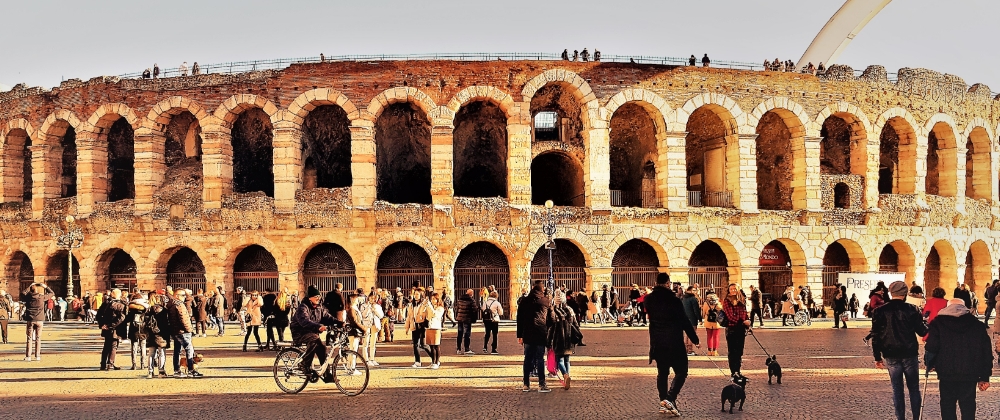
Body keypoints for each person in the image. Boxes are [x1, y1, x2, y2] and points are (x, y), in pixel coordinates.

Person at [924, 298, 993, 420]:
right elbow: (986, 352)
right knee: (968, 405)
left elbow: (931, 347)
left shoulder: (938, 323)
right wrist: (984, 376)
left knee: (947, 404)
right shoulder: (977, 325)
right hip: (970, 372)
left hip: (946, 371)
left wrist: (930, 364)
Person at [871, 281, 927, 420]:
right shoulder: (912, 309)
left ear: (891, 293)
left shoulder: (879, 311)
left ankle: (900, 418)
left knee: (897, 390)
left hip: (891, 354)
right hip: (909, 353)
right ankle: (916, 417)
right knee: (914, 388)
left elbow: (875, 336)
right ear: (905, 294)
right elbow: (922, 332)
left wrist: (877, 358)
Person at [645, 273, 699, 416]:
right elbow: (684, 320)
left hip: (657, 341)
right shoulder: (674, 300)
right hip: (674, 341)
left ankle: (664, 402)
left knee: (662, 373)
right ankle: (670, 398)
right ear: (668, 283)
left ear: (656, 282)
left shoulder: (649, 299)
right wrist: (694, 339)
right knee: (682, 371)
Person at [290, 285, 338, 381]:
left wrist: (340, 323)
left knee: (322, 348)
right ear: (310, 298)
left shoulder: (319, 307)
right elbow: (305, 321)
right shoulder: (303, 307)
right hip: (300, 333)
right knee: (314, 341)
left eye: (319, 296)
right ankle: (304, 365)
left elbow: (327, 317)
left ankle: (326, 374)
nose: (318, 298)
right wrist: (318, 327)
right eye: (316, 296)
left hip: (312, 333)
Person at [517, 280, 552, 393]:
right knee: (540, 358)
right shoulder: (545, 301)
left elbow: (519, 319)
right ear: (542, 289)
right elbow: (552, 319)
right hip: (540, 333)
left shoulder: (524, 301)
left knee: (527, 359)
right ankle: (542, 384)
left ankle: (526, 384)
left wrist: (520, 335)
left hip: (527, 333)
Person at [547, 289, 581, 390]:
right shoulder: (569, 310)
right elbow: (575, 324)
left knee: (560, 359)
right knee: (567, 359)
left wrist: (548, 341)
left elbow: (550, 328)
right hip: (569, 337)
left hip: (558, 338)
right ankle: (568, 376)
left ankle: (565, 375)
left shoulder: (553, 311)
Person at [166, 288, 202, 377]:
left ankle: (177, 370)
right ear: (177, 296)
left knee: (177, 351)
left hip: (175, 330)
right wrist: (189, 329)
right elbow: (184, 319)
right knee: (189, 349)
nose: (184, 297)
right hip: (183, 331)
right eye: (182, 295)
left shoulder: (171, 305)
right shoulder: (179, 305)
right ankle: (191, 370)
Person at [722, 284, 750, 375]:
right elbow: (730, 316)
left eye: (734, 289)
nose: (733, 290)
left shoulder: (742, 300)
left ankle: (738, 370)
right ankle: (733, 372)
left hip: (741, 329)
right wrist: (743, 322)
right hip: (732, 328)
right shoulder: (727, 301)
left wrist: (748, 322)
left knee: (739, 351)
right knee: (733, 351)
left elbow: (745, 313)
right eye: (731, 289)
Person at [96, 288, 127, 371]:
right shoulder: (120, 304)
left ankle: (103, 364)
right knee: (113, 346)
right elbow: (121, 318)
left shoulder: (106, 303)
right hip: (115, 328)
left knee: (106, 346)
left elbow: (98, 315)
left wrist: (102, 325)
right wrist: (111, 325)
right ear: (119, 295)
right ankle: (110, 364)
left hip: (106, 328)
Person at [21, 283, 53, 361]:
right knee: (38, 338)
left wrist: (29, 286)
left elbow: (22, 293)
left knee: (29, 338)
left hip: (30, 319)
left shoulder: (28, 297)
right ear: (37, 290)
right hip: (39, 319)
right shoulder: (41, 297)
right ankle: (37, 355)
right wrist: (46, 287)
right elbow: (52, 293)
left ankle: (28, 356)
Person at [143, 293, 170, 378]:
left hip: (150, 334)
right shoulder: (164, 311)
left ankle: (150, 372)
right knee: (161, 353)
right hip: (162, 333)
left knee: (151, 353)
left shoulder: (148, 310)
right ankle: (161, 372)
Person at [404, 287, 432, 367]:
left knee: (424, 345)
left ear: (421, 295)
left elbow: (429, 313)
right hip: (414, 325)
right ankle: (417, 361)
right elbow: (409, 317)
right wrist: (407, 327)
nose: (415, 296)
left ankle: (434, 358)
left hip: (422, 325)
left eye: (417, 294)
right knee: (415, 344)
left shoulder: (424, 303)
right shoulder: (411, 305)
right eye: (415, 294)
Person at [126, 292, 149, 370]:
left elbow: (127, 319)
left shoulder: (131, 308)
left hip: (134, 329)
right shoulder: (146, 308)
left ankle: (134, 364)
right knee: (143, 347)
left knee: (134, 347)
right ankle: (143, 364)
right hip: (143, 329)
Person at [360, 293, 383, 366]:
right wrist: (368, 308)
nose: (372, 300)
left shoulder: (378, 306)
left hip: (375, 325)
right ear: (369, 297)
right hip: (367, 325)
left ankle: (372, 358)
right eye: (371, 298)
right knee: (366, 342)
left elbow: (381, 315)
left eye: (374, 298)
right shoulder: (364, 305)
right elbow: (363, 315)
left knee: (373, 343)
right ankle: (366, 360)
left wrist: (375, 309)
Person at [454, 288, 479, 355]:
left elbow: (457, 309)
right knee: (467, 334)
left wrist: (457, 317)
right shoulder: (471, 300)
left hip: (460, 318)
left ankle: (458, 349)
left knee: (460, 333)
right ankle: (466, 349)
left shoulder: (460, 299)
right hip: (467, 319)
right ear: (471, 294)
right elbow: (474, 310)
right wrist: (474, 318)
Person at [425, 292, 446, 369]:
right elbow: (428, 316)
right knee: (430, 345)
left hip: (436, 327)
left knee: (436, 346)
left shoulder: (440, 308)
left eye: (434, 299)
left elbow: (435, 315)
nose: (432, 300)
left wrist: (429, 306)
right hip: (430, 326)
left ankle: (436, 362)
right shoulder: (432, 307)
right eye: (432, 299)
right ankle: (433, 361)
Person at [680, 286, 701, 356]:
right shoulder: (693, 299)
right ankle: (689, 350)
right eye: (694, 290)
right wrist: (700, 319)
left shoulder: (683, 298)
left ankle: (685, 349)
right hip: (692, 319)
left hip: (684, 318)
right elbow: (696, 311)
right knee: (691, 334)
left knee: (686, 335)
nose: (696, 291)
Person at [701, 290, 722, 356]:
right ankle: (715, 351)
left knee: (709, 337)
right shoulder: (718, 302)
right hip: (716, 322)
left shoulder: (706, 303)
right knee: (716, 337)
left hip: (708, 321)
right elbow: (721, 310)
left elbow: (703, 312)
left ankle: (709, 351)